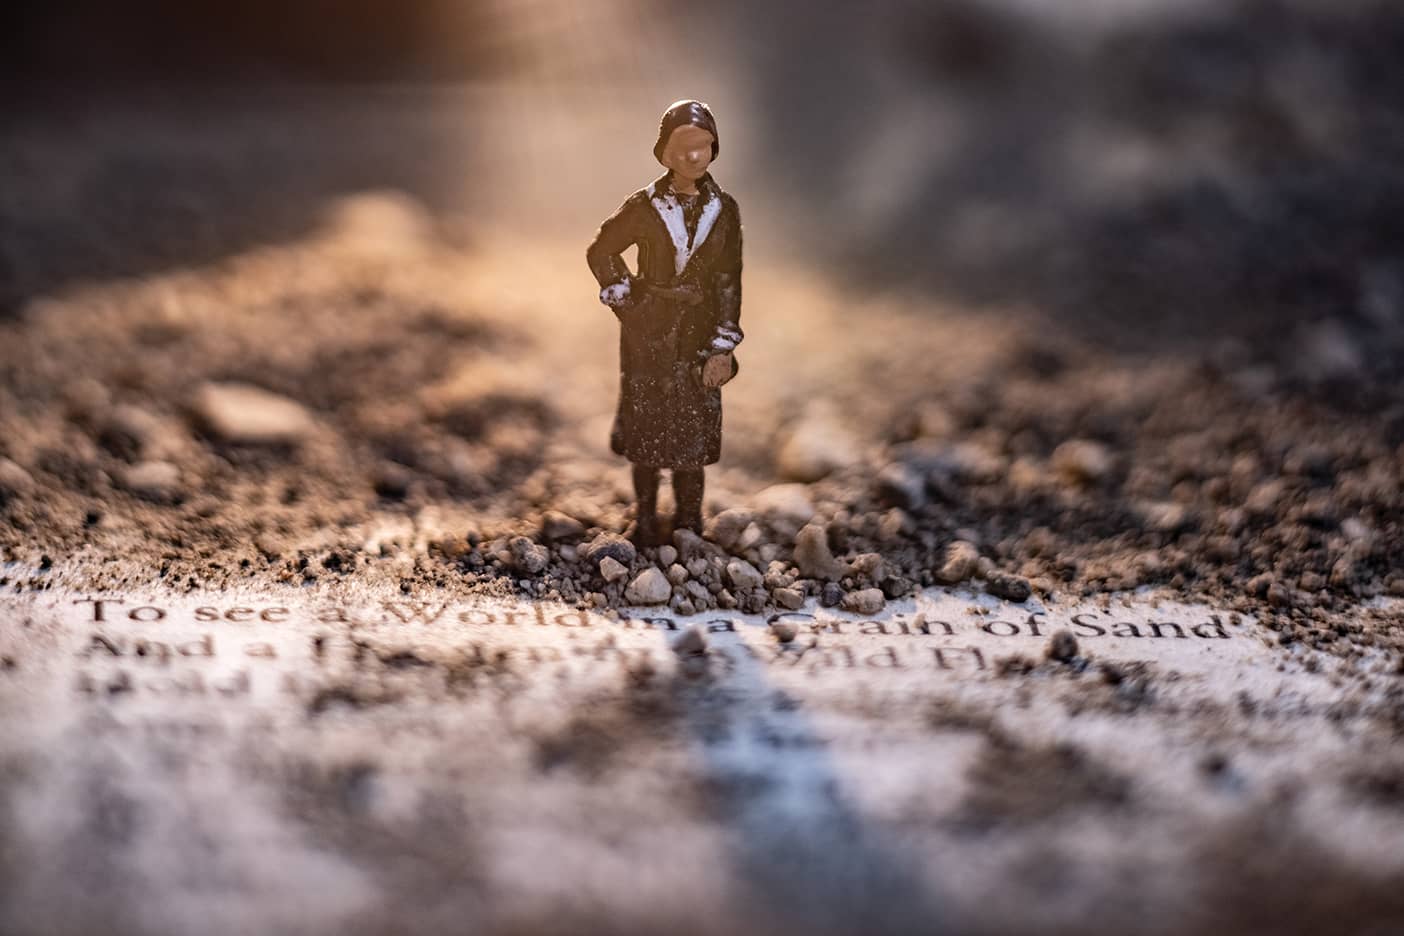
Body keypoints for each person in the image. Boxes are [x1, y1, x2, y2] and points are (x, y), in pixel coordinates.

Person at [586, 100, 744, 547]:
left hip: (699, 333)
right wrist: (628, 299)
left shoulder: (724, 210)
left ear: (714, 149)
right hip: (649, 334)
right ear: (664, 151)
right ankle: (646, 520)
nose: (693, 156)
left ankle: (690, 522)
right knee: (647, 429)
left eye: (703, 146)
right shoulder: (644, 206)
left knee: (692, 436)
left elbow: (729, 279)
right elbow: (601, 251)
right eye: (683, 146)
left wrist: (723, 343)